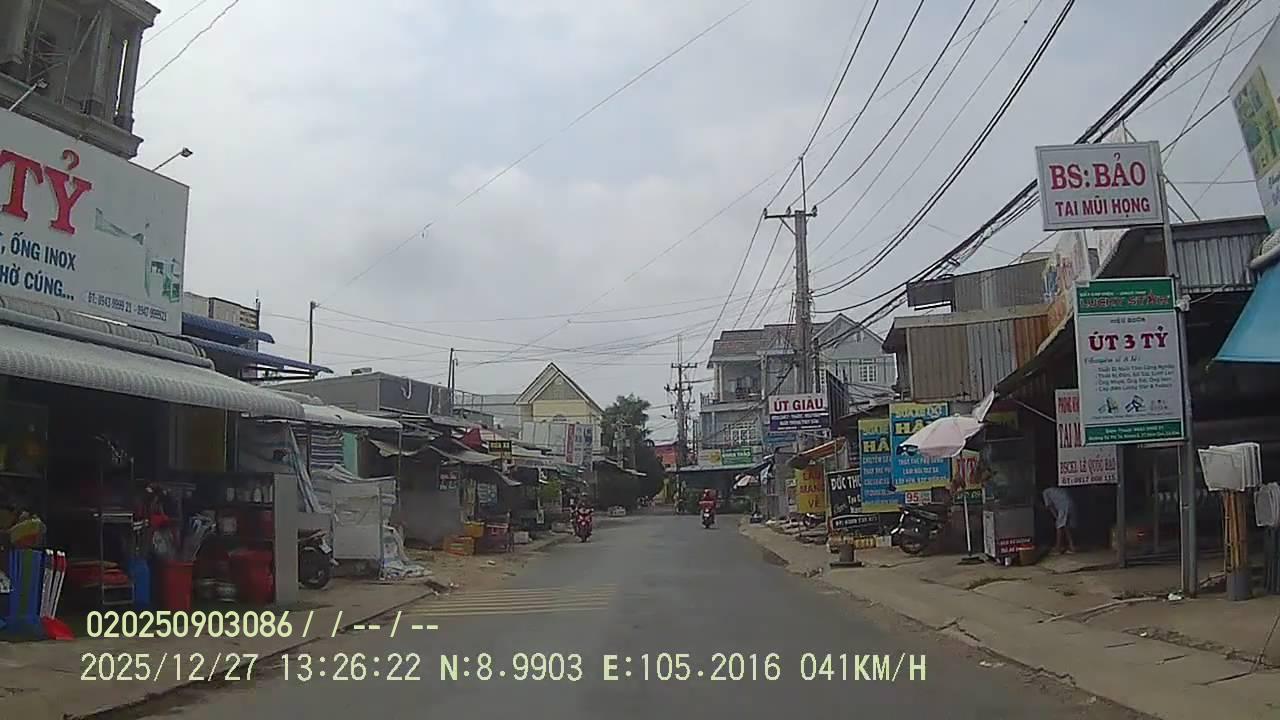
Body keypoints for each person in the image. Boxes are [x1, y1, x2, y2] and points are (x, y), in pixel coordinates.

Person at [1042, 485, 1077, 554]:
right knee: (1066, 527)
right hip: (1071, 505)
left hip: (1063, 508)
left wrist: (1056, 517)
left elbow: (1049, 506)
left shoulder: (1045, 492)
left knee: (1059, 527)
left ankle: (1058, 549)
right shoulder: (1061, 489)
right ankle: (1072, 547)